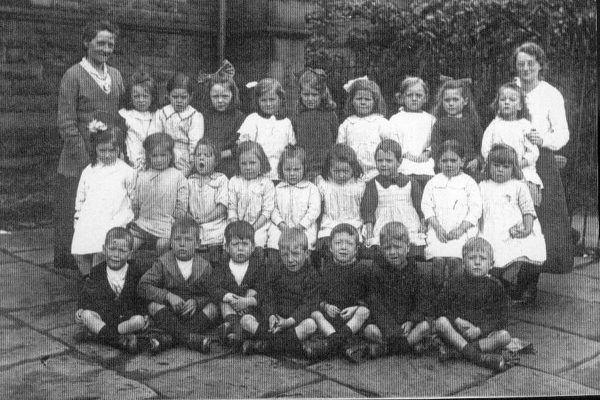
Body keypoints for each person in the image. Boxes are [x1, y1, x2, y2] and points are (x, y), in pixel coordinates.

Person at [55, 19, 124, 270]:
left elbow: (121, 116)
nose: (106, 49)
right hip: (79, 161)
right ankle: (76, 266)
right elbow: (66, 122)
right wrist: (87, 162)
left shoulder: (115, 75)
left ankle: (99, 264)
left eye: (110, 44)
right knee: (78, 214)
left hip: (107, 157)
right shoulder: (73, 75)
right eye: (100, 43)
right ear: (86, 42)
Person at [510, 42, 574, 303]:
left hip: (540, 163)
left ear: (540, 65)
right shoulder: (510, 90)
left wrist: (542, 139)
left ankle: (528, 283)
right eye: (520, 64)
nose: (525, 68)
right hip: (510, 160)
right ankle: (502, 280)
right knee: (508, 215)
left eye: (530, 63)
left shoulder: (550, 94)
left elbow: (562, 133)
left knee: (538, 219)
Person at [137, 218, 218, 354]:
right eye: (177, 239)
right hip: (169, 313)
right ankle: (191, 339)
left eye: (188, 240)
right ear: (171, 242)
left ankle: (167, 339)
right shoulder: (163, 262)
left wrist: (196, 302)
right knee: (153, 306)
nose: (182, 244)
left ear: (197, 243)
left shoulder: (204, 266)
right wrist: (167, 296)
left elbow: (213, 293)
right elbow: (143, 286)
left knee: (213, 308)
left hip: (193, 314)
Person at [433, 237, 512, 372]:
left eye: (482, 258)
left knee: (505, 336)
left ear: (491, 264)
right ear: (463, 263)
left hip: (481, 336)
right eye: (471, 258)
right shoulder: (455, 282)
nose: (477, 262)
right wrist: (456, 320)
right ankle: (478, 357)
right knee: (440, 322)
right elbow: (439, 306)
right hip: (457, 332)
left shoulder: (495, 286)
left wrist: (480, 329)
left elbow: (502, 316)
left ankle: (458, 352)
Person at [479, 144, 546, 299]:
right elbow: (478, 211)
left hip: (516, 228)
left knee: (531, 249)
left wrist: (528, 228)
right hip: (492, 228)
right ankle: (502, 286)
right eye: (496, 165)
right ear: (489, 166)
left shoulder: (519, 186)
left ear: (513, 168)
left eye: (506, 166)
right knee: (495, 258)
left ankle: (523, 287)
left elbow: (528, 209)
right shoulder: (483, 186)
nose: (501, 170)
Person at [241, 228, 319, 356]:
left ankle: (265, 345)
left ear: (307, 253)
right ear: (279, 254)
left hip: (295, 321)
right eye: (284, 255)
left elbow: (308, 304)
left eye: (295, 254)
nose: (290, 259)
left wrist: (289, 321)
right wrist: (271, 315)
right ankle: (288, 346)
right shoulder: (276, 270)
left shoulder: (311, 275)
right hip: (274, 321)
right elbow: (268, 296)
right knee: (246, 320)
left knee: (310, 325)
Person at [362, 222, 433, 359]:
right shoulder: (376, 270)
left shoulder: (416, 272)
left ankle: (388, 348)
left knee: (426, 326)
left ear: (407, 248)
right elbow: (375, 303)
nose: (393, 252)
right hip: (385, 324)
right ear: (381, 249)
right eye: (387, 248)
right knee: (369, 331)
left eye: (398, 247)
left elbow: (422, 301)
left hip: (408, 324)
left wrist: (411, 321)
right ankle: (408, 345)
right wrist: (391, 329)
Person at [71, 126, 135, 277]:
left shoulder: (126, 171)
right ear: (96, 149)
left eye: (111, 151)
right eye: (102, 151)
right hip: (89, 219)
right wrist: (78, 216)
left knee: (101, 253)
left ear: (119, 148)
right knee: (78, 253)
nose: (107, 155)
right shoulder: (89, 170)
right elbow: (81, 196)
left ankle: (99, 287)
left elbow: (133, 197)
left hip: (113, 218)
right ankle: (90, 281)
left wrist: (127, 220)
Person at [421, 140, 482, 291]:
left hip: (461, 231)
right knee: (439, 260)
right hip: (438, 230)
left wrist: (460, 230)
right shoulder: (433, 182)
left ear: (462, 162)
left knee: (456, 259)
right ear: (438, 163)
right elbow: (426, 206)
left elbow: (475, 209)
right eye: (444, 160)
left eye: (453, 160)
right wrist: (437, 228)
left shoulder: (469, 182)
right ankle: (438, 291)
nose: (449, 164)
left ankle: (455, 292)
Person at [305, 224, 372, 362]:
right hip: (332, 319)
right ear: (330, 247)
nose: (343, 247)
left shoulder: (363, 270)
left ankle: (330, 345)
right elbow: (319, 297)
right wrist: (326, 307)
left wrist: (356, 308)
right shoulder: (326, 270)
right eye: (338, 243)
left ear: (356, 249)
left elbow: (371, 298)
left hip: (353, 321)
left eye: (349, 243)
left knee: (364, 312)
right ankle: (342, 344)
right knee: (315, 314)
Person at [75, 228, 147, 353]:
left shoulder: (135, 272)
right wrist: (81, 308)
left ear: (130, 254)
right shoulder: (97, 271)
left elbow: (142, 296)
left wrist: (145, 314)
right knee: (87, 315)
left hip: (125, 319)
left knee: (139, 321)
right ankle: (118, 340)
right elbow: (86, 293)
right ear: (104, 249)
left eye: (122, 251)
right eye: (112, 249)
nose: (116, 255)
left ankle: (102, 336)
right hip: (103, 317)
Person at [208, 221, 267, 349]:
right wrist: (229, 296)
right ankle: (237, 331)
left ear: (253, 247)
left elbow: (264, 289)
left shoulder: (258, 266)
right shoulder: (222, 266)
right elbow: (212, 287)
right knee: (223, 301)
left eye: (245, 244)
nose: (240, 248)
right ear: (227, 247)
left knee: (252, 291)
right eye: (235, 244)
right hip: (231, 307)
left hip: (250, 310)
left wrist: (247, 301)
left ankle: (235, 332)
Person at [481, 82, 543, 205]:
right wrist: (500, 165)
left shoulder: (524, 125)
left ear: (520, 105)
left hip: (522, 168)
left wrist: (517, 165)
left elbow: (533, 152)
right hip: (499, 168)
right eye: (503, 99)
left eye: (512, 100)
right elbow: (486, 150)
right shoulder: (494, 126)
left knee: (526, 192)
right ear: (498, 104)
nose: (507, 102)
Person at [360, 139, 425, 250]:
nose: (384, 164)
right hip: (383, 226)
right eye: (380, 160)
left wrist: (423, 228)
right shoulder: (373, 184)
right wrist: (370, 234)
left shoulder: (411, 182)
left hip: (409, 225)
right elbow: (368, 211)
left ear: (399, 161)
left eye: (389, 161)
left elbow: (421, 208)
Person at [130, 133, 188, 255]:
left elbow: (182, 203)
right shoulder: (142, 176)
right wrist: (135, 215)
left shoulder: (177, 176)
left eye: (163, 155)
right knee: (128, 245)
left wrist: (176, 217)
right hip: (143, 223)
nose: (159, 160)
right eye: (154, 156)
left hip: (165, 225)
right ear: (148, 157)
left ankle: (160, 269)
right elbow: (136, 202)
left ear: (170, 155)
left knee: (163, 245)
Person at [266, 145, 321, 262]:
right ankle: (275, 272)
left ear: (304, 168)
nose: (292, 173)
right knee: (274, 243)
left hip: (304, 228)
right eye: (287, 169)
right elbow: (273, 209)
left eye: (296, 169)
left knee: (304, 244)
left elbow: (314, 210)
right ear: (281, 169)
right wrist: (281, 225)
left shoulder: (311, 188)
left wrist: (300, 227)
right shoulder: (278, 188)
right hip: (281, 228)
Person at [314, 144, 366, 264]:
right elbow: (318, 210)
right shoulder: (323, 184)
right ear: (329, 168)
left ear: (353, 168)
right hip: (330, 225)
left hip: (353, 225)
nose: (341, 175)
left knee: (354, 250)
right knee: (328, 250)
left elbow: (364, 210)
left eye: (346, 171)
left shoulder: (358, 185)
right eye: (336, 171)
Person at [238, 78, 296, 182]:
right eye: (263, 100)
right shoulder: (253, 119)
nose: (268, 104)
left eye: (272, 99)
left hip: (281, 175)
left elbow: (291, 148)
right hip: (257, 175)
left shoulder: (286, 122)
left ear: (281, 99)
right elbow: (245, 148)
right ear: (257, 101)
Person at [148, 72, 204, 176]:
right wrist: (170, 154)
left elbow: (195, 143)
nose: (179, 101)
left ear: (190, 96)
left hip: (185, 158)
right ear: (168, 95)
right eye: (175, 97)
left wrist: (190, 163)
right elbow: (153, 137)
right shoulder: (161, 114)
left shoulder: (195, 116)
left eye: (183, 97)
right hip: (162, 154)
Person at [337, 76, 391, 181]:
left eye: (367, 99)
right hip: (353, 174)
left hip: (378, 172)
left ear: (375, 102)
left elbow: (390, 145)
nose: (363, 102)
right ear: (351, 101)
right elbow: (340, 149)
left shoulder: (381, 122)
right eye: (359, 99)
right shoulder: (347, 124)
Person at [197, 60, 245, 178]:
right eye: (215, 96)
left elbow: (240, 146)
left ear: (232, 95)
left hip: (229, 165)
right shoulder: (204, 116)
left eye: (225, 96)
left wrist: (219, 155)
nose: (220, 101)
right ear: (209, 96)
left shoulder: (239, 117)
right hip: (206, 164)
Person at [290, 68, 339, 181]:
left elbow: (335, 140)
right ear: (300, 94)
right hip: (304, 170)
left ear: (322, 94)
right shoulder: (297, 116)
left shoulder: (331, 115)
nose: (310, 99)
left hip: (326, 170)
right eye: (306, 94)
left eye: (314, 94)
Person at [431, 78, 483, 180]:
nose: (451, 103)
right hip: (447, 167)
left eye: (455, 99)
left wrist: (477, 160)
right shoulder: (440, 124)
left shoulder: (472, 122)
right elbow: (435, 148)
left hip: (469, 168)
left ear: (465, 101)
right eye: (447, 100)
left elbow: (481, 145)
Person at [388, 77, 436, 186]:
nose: (414, 99)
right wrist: (404, 153)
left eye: (419, 95)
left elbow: (435, 140)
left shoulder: (431, 119)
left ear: (426, 98)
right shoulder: (395, 119)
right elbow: (392, 140)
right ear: (402, 97)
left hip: (425, 164)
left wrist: (427, 153)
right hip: (403, 165)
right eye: (409, 95)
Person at [227, 141, 275, 250]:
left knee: (256, 243)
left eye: (252, 163)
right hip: (236, 225)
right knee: (232, 245)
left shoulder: (267, 183)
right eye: (243, 163)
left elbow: (267, 211)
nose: (248, 167)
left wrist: (252, 229)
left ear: (261, 163)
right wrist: (237, 228)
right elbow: (232, 207)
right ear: (238, 164)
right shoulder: (234, 181)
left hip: (258, 226)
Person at [188, 139, 229, 265]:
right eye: (198, 155)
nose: (202, 158)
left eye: (207, 155)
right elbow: (186, 206)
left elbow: (222, 207)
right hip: (195, 225)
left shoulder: (220, 180)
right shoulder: (190, 181)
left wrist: (205, 219)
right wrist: (191, 219)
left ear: (216, 161)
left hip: (215, 225)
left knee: (215, 256)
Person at [118, 70, 159, 171]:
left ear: (152, 97)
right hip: (131, 162)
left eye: (145, 96)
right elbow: (119, 140)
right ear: (130, 97)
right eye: (136, 96)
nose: (141, 100)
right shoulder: (125, 115)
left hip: (154, 162)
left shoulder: (158, 115)